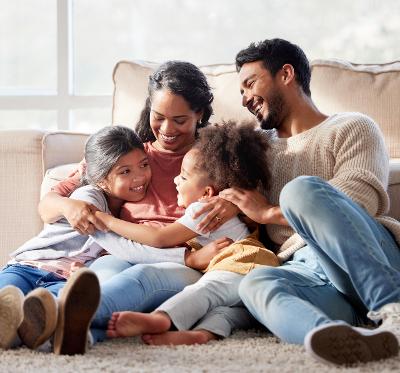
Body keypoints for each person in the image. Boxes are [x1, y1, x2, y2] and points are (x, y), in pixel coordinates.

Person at [207, 38, 400, 365]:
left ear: (286, 74)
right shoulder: (255, 149)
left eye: (250, 84)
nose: (244, 100)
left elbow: (359, 200)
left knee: (300, 191)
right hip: (307, 272)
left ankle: (393, 309)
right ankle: (339, 340)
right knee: (255, 283)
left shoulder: (352, 126)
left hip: (367, 256)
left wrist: (268, 212)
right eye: (240, 91)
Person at [38, 61, 252, 350]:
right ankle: (80, 334)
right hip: (125, 250)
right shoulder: (130, 153)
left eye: (179, 119)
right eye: (159, 116)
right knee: (102, 276)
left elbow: (253, 202)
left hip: (181, 261)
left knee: (141, 278)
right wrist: (69, 207)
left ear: (199, 114)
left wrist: (233, 203)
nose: (167, 129)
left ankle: (49, 317)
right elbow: (51, 202)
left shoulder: (213, 158)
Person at [92, 122, 279, 345]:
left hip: (245, 262)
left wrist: (108, 220)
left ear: (207, 192)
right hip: (250, 268)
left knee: (206, 290)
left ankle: (161, 319)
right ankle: (201, 334)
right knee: (225, 308)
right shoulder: (217, 204)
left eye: (183, 176)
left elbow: (158, 238)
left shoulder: (203, 209)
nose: (175, 180)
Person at [0, 125, 154, 352]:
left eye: (144, 165)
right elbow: (57, 207)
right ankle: (11, 329)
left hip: (63, 281)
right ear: (100, 179)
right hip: (27, 267)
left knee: (47, 312)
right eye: (125, 172)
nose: (140, 176)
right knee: (6, 300)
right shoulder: (88, 197)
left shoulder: (137, 213)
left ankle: (16, 334)